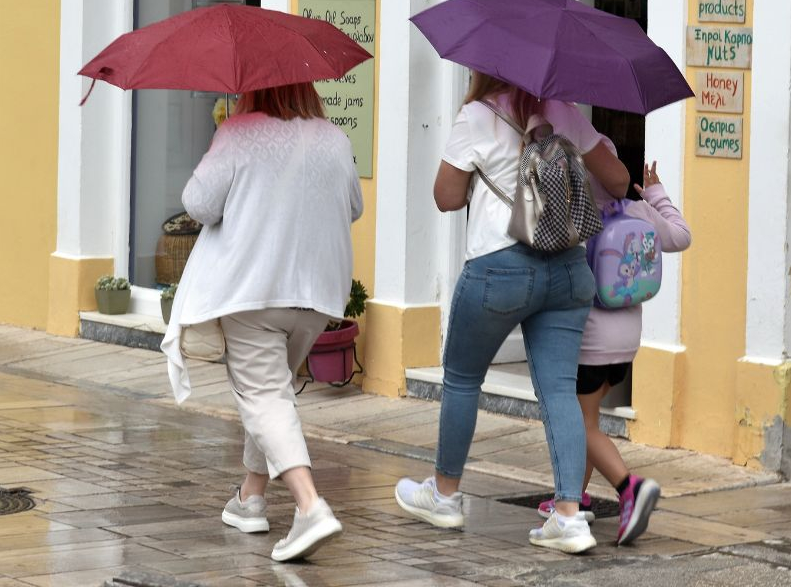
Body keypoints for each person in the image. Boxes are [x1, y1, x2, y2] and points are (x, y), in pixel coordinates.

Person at [394, 71, 628, 554]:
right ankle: (568, 516)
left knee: (461, 379)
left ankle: (444, 494)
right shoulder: (564, 110)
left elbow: (446, 197)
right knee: (560, 390)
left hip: (498, 269)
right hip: (567, 270)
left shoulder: (477, 116)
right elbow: (620, 180)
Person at [160, 82, 363, 563]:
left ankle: (310, 507)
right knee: (273, 393)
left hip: (254, 289)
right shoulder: (334, 138)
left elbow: (199, 204)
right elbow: (353, 206)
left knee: (264, 396)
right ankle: (250, 497)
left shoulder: (238, 132)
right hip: (314, 295)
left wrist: (223, 149)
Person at [537, 160, 691, 545]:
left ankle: (629, 488)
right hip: (627, 344)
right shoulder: (638, 212)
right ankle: (573, 497)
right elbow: (681, 236)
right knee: (586, 419)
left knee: (579, 424)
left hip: (591, 342)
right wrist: (655, 193)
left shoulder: (578, 219)